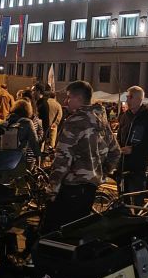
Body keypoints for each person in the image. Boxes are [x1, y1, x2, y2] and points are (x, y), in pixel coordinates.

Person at [44, 81, 120, 233]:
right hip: (90, 187)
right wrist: (101, 172)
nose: (65, 102)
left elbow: (63, 159)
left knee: (53, 233)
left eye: (68, 97)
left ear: (78, 98)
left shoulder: (75, 121)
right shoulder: (101, 120)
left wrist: (52, 189)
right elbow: (115, 151)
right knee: (78, 232)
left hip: (72, 186)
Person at [117, 86, 148, 206]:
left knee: (137, 202)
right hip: (123, 165)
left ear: (139, 99)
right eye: (127, 97)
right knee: (122, 202)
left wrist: (134, 150)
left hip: (138, 166)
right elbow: (119, 137)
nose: (127, 100)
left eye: (130, 97)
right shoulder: (125, 116)